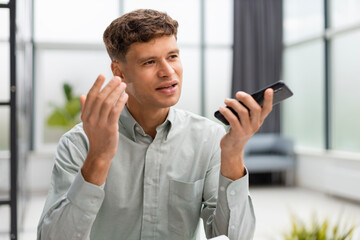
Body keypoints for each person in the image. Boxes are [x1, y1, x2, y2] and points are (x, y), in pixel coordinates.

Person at [37, 9, 273, 240]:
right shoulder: (79, 143)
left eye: (172, 56)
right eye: (149, 62)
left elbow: (234, 237)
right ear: (119, 72)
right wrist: (98, 157)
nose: (168, 72)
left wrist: (232, 156)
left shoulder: (209, 138)